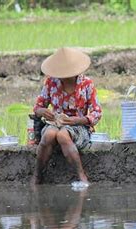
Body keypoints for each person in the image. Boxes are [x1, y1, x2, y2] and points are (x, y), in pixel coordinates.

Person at [31, 47, 102, 185]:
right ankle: (37, 175)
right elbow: (38, 106)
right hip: (55, 123)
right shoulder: (51, 83)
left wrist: (77, 120)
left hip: (78, 126)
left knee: (63, 135)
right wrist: (42, 112)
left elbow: (96, 113)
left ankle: (81, 175)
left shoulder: (87, 84)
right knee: (49, 135)